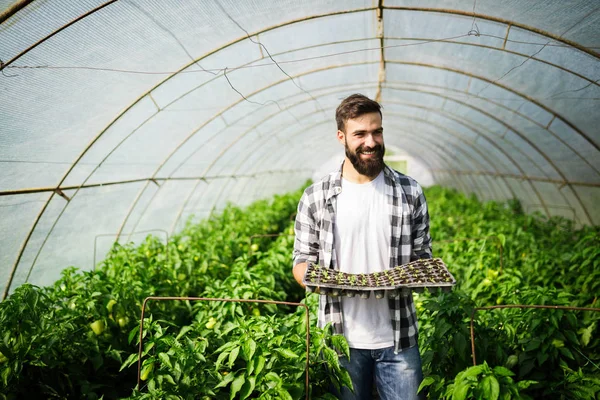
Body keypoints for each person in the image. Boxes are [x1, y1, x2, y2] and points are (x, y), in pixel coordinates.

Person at [292, 94, 432, 400]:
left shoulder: (409, 192)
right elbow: (302, 261)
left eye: (377, 131)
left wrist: (419, 275)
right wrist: (324, 280)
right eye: (360, 134)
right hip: (341, 340)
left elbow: (423, 256)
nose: (371, 142)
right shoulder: (316, 197)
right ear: (341, 136)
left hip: (399, 336)